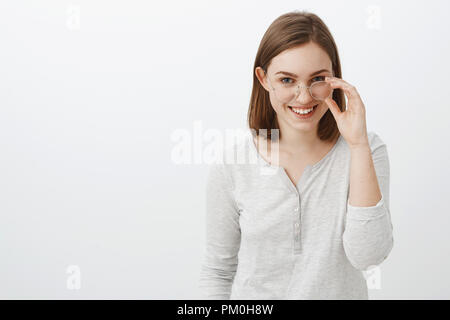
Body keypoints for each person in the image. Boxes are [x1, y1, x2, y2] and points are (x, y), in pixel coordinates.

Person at [198, 10, 394, 300]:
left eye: (318, 79)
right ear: (264, 79)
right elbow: (218, 271)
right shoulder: (233, 164)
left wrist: (358, 145)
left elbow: (368, 255)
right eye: (287, 80)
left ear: (334, 78)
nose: (304, 97)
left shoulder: (367, 149)